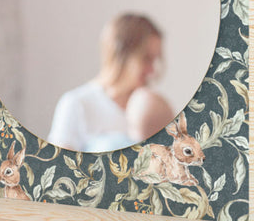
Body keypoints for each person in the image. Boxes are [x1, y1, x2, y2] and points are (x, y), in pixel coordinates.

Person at [47, 13, 174, 152]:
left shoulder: (150, 107)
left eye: (155, 59)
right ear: (121, 55)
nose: (152, 70)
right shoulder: (76, 104)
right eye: (146, 59)